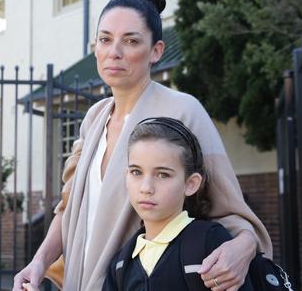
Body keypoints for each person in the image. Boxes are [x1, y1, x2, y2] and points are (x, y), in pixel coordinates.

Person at [12, 0, 272, 291]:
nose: (115, 52)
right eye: (105, 40)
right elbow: (68, 210)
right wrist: (39, 262)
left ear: (156, 50)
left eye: (131, 41)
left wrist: (242, 248)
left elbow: (230, 209)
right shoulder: (94, 118)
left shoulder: (183, 110)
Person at [102, 117, 253, 290]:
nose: (146, 188)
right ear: (126, 177)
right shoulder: (120, 264)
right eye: (136, 172)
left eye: (163, 175)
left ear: (191, 184)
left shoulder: (210, 242)